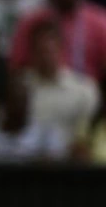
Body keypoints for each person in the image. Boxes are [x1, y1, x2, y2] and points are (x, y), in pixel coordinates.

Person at [11, 0, 106, 80]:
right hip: (42, 89)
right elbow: (16, 67)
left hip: (85, 93)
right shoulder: (32, 21)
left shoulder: (99, 22)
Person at [20, 19, 100, 148]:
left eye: (50, 51)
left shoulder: (84, 89)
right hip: (24, 161)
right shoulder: (21, 87)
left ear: (61, 49)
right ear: (32, 52)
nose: (46, 57)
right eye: (41, 51)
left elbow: (88, 135)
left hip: (69, 163)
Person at [0, 74, 66, 163]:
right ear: (5, 103)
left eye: (23, 100)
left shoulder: (46, 132)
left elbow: (54, 162)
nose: (19, 106)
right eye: (15, 100)